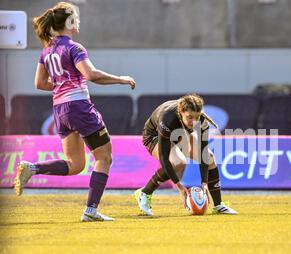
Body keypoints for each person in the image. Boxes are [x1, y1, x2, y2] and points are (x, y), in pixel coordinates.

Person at [14, 2, 136, 222]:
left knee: (76, 164)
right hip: (79, 106)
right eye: (76, 18)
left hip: (60, 110)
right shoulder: (74, 47)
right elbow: (91, 75)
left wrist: (62, 82)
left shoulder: (47, 50)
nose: (78, 21)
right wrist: (121, 79)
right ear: (69, 23)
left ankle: (32, 168)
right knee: (104, 157)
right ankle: (90, 211)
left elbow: (40, 83)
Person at [135, 93, 237, 216]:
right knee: (178, 162)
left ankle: (218, 205)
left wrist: (204, 183)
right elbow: (164, 158)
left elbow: (203, 153)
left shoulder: (202, 121)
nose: (193, 121)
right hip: (154, 136)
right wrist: (179, 187)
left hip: (180, 133)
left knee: (209, 158)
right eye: (189, 117)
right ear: (181, 112)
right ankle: (145, 193)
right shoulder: (168, 118)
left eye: (196, 117)